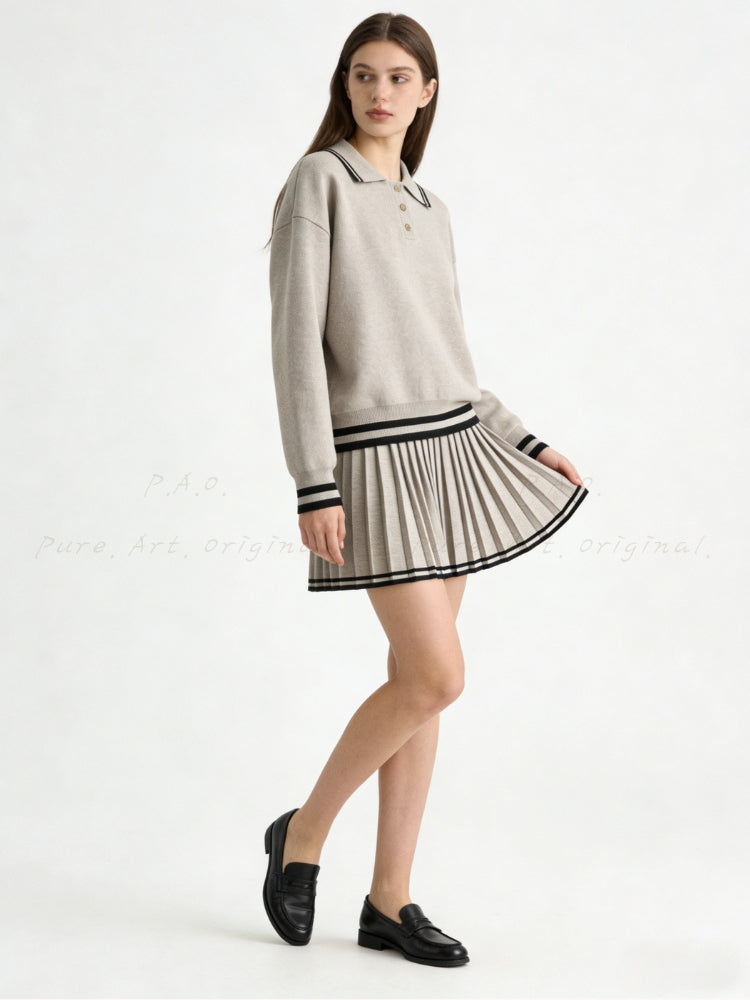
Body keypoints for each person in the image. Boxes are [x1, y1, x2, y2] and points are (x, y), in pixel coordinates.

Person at [263, 12, 588, 968]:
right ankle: (302, 834)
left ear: (427, 92)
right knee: (437, 674)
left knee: (421, 686)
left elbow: (448, 359)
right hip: (371, 462)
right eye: (364, 74)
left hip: (450, 454)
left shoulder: (429, 205)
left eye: (399, 77)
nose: (380, 92)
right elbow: (295, 347)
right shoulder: (320, 181)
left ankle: (389, 899)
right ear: (345, 84)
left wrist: (523, 438)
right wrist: (313, 482)